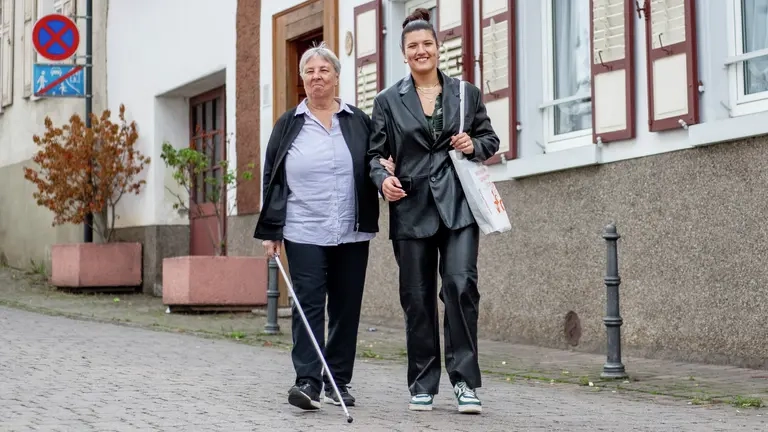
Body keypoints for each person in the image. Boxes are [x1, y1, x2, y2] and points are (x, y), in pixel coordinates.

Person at [367, 8, 500, 414]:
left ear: (439, 49)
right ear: (403, 54)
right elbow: (375, 155)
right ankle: (422, 382)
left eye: (427, 44)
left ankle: (464, 383)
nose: (421, 51)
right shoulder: (388, 101)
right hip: (410, 208)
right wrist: (381, 179)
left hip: (459, 207)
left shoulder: (465, 93)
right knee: (417, 297)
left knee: (461, 288)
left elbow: (490, 138)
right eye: (413, 46)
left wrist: (472, 146)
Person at [254, 42, 379, 411]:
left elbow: (374, 161)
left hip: (352, 229)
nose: (316, 77)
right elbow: (272, 178)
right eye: (309, 71)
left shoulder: (358, 121)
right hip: (303, 228)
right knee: (308, 305)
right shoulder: (288, 124)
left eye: (324, 70)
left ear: (337, 77)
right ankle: (307, 381)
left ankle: (336, 381)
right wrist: (271, 232)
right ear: (302, 80)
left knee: (346, 306)